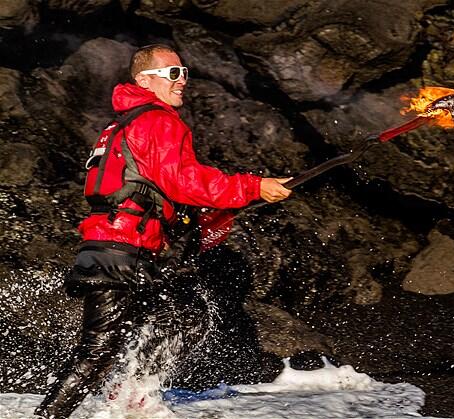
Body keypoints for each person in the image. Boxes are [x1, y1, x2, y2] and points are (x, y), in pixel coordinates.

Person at [35, 44, 292, 418]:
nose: (182, 81)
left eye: (184, 72)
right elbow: (183, 181)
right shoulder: (158, 120)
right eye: (173, 74)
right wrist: (253, 187)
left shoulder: (125, 122)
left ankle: (130, 397)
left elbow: (157, 188)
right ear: (144, 80)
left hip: (121, 248)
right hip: (120, 251)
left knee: (183, 315)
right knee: (98, 352)